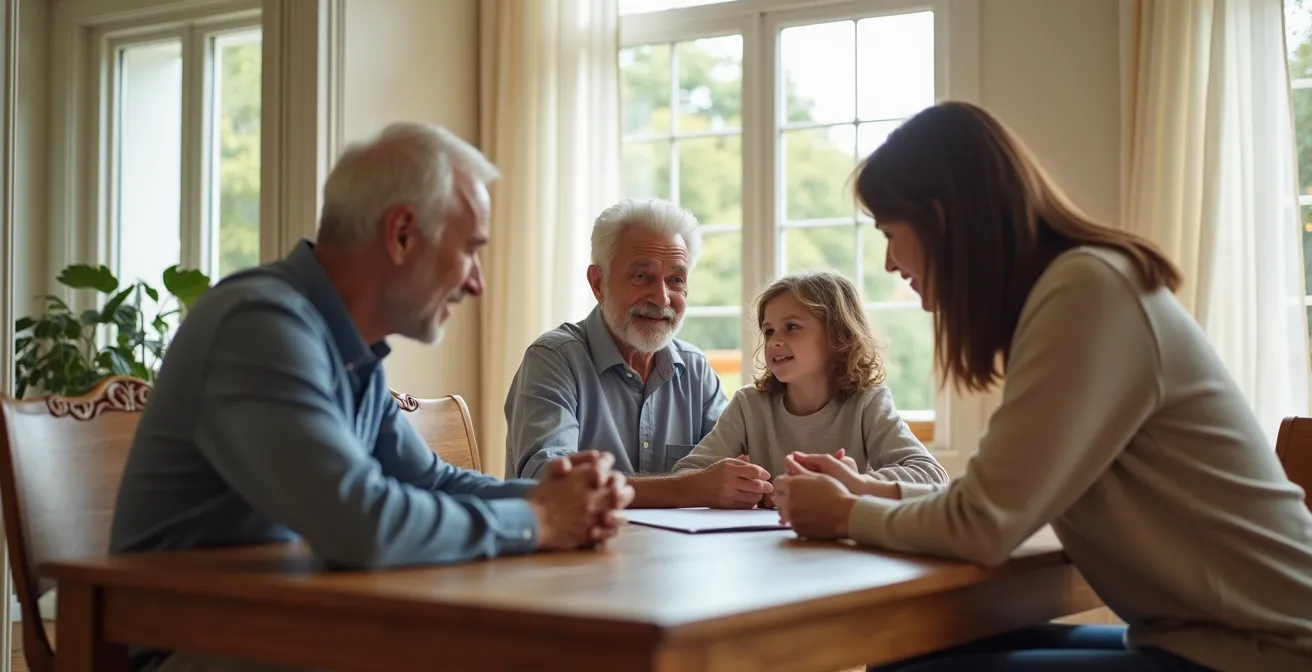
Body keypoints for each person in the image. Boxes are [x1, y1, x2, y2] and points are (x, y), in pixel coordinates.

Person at [774, 101, 1312, 671]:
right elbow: (1003, 501)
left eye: (888, 231)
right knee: (900, 648)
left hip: (1264, 654)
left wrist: (843, 515)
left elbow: (983, 526)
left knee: (909, 665)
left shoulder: (1087, 293)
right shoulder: (1081, 287)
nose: (887, 262)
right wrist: (872, 491)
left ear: (939, 218)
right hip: (1207, 641)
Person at [110, 122, 634, 672]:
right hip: (194, 644)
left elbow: (427, 479)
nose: (477, 283)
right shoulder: (258, 324)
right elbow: (361, 524)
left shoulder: (345, 346)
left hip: (293, 623)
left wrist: (549, 497)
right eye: (470, 251)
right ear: (402, 234)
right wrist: (541, 522)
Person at [504, 197, 776, 507]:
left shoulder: (695, 370)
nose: (661, 299)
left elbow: (740, 465)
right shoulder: (553, 359)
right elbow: (550, 482)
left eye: (676, 280)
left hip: (680, 552)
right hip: (575, 553)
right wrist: (690, 487)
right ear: (598, 283)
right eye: (641, 276)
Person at [671, 270, 947, 508]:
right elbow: (686, 473)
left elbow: (932, 477)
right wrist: (730, 485)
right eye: (768, 331)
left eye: (791, 327)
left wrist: (853, 483)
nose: (774, 341)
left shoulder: (867, 402)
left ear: (837, 336)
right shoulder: (749, 404)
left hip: (843, 549)